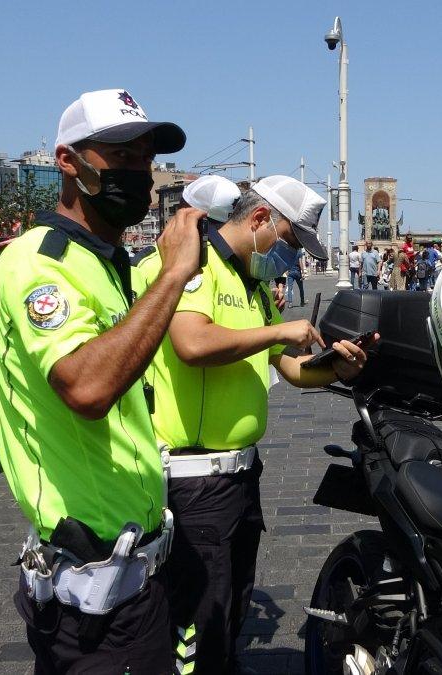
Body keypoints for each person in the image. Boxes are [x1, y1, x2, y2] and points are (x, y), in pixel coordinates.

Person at [0, 88, 200, 673]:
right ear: (68, 162)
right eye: (122, 158)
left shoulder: (107, 262)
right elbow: (86, 388)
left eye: (147, 162)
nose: (142, 176)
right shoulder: (41, 262)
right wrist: (175, 275)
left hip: (138, 565)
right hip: (92, 591)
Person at [137, 175, 373, 675]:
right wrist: (278, 329)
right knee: (198, 619)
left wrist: (337, 366)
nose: (290, 256)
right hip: (193, 476)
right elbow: (192, 344)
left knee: (230, 606)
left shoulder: (254, 284)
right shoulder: (194, 265)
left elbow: (288, 366)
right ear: (261, 219)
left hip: (241, 474)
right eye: (289, 241)